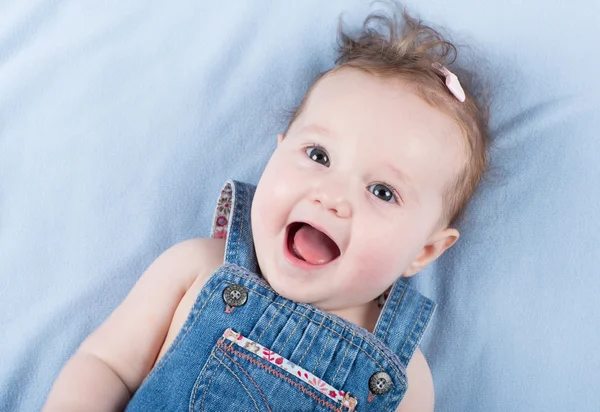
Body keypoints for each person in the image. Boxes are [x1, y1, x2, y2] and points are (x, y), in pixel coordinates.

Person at [43, 7, 488, 412]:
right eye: (318, 156)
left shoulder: (403, 377)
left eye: (383, 191)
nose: (331, 197)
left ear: (424, 252)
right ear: (276, 155)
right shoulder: (200, 267)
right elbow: (106, 365)